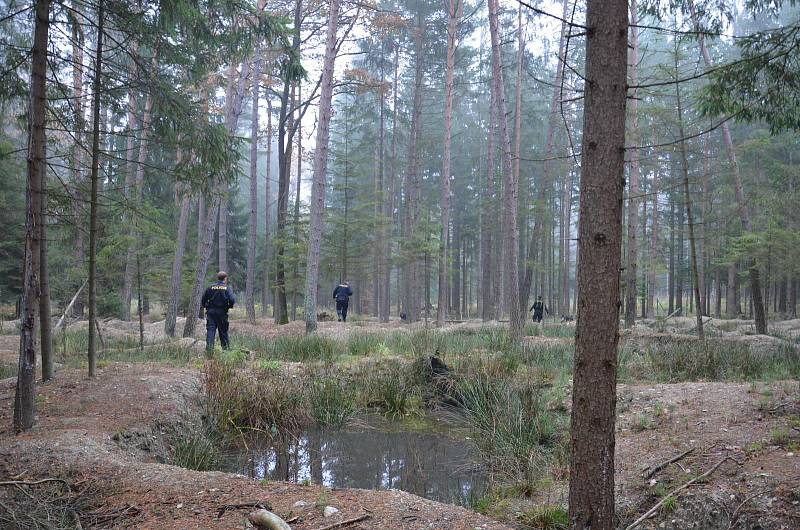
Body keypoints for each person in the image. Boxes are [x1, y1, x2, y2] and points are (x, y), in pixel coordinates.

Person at [202, 271, 236, 351]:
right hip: (222, 313)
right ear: (225, 278)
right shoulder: (227, 288)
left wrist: (206, 306)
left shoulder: (210, 287)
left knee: (210, 331)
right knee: (223, 332)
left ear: (218, 278)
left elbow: (203, 299)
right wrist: (229, 306)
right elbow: (232, 299)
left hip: (211, 313)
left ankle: (209, 351)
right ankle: (226, 350)